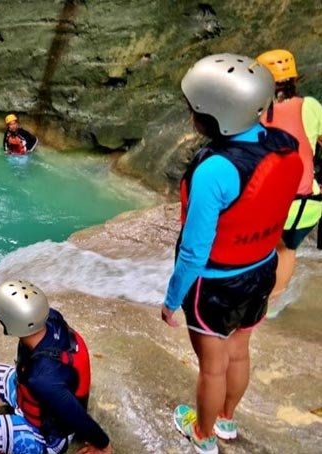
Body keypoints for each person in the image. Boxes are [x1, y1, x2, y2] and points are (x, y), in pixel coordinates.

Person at [161, 54, 302, 454]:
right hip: (261, 270)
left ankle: (202, 435)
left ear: (216, 117)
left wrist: (172, 300)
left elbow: (194, 249)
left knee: (213, 366)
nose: (192, 115)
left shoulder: (214, 171)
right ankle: (225, 420)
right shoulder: (286, 146)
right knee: (239, 351)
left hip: (215, 283)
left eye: (196, 110)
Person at [0, 280, 112, 454]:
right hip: (39, 403)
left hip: (48, 438)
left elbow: (76, 415)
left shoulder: (42, 378)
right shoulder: (52, 319)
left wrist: (103, 445)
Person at [256, 49, 322, 302]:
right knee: (287, 249)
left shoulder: (253, 110)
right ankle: (272, 303)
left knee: (259, 248)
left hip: (263, 203)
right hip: (305, 204)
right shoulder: (312, 107)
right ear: (295, 80)